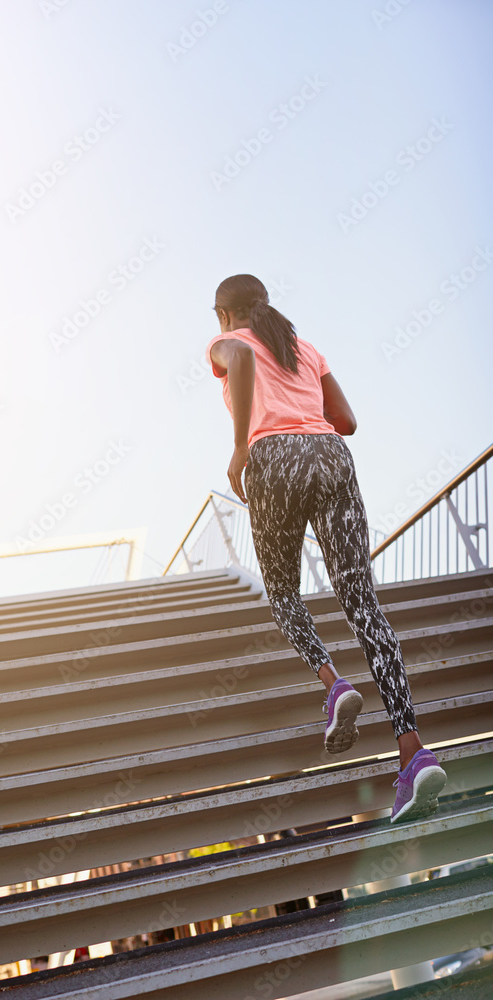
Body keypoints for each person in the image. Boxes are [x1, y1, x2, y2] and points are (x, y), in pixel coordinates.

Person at [205, 273, 447, 823]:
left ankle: (332, 682)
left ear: (222, 314)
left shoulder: (226, 341)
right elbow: (348, 421)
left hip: (276, 459)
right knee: (363, 604)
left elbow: (238, 360)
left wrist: (241, 446)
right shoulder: (303, 347)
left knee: (284, 595)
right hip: (331, 455)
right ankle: (413, 751)